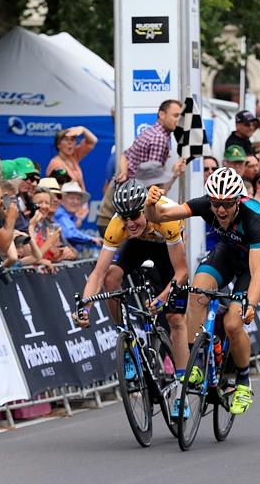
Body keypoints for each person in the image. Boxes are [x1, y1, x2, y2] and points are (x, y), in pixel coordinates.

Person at [145, 167, 260, 416]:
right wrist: (151, 205)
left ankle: (243, 382)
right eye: (216, 204)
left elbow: (258, 273)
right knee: (197, 293)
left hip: (253, 261)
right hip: (228, 252)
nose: (221, 210)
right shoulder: (206, 205)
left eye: (227, 204)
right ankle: (197, 361)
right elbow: (160, 216)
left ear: (238, 200)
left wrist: (252, 304)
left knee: (233, 324)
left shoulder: (255, 218)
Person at [75, 179, 189, 418]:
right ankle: (126, 341)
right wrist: (86, 307)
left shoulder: (166, 216)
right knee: (110, 278)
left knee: (176, 320)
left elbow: (181, 272)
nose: (129, 222)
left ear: (145, 209)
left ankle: (181, 394)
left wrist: (162, 297)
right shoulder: (119, 225)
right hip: (138, 246)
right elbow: (97, 273)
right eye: (124, 217)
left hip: (166, 247)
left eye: (134, 216)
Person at [117, 99, 182, 181]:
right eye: (175, 116)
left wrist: (124, 173)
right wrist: (174, 173)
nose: (179, 120)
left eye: (181, 116)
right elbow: (153, 181)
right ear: (162, 115)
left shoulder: (150, 131)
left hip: (130, 187)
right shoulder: (159, 138)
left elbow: (125, 155)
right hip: (139, 190)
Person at [46, 126, 98, 191]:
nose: (70, 143)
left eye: (72, 140)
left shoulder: (74, 157)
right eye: (66, 140)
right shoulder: (55, 164)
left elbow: (93, 141)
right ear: (58, 144)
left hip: (79, 199)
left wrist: (83, 129)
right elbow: (55, 191)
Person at [53, 181, 102, 251]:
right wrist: (91, 239)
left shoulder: (70, 216)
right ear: (62, 200)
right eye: (72, 198)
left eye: (78, 199)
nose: (75, 202)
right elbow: (70, 234)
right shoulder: (60, 214)